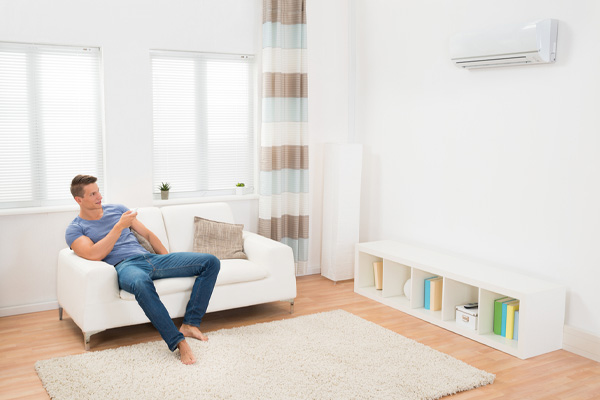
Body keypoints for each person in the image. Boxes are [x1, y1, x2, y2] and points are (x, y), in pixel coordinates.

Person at [65, 174, 220, 365]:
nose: (100, 197)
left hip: (151, 259)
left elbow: (146, 233)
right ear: (78, 200)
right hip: (125, 266)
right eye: (93, 194)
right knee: (140, 282)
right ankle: (179, 342)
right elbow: (93, 253)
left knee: (211, 262)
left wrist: (167, 259)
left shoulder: (118, 209)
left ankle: (191, 323)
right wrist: (118, 227)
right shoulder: (76, 229)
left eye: (98, 192)